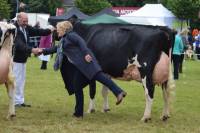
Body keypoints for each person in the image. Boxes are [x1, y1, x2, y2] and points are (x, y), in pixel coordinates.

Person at [40, 21, 127, 118]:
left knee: (101, 77)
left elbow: (81, 43)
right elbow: (57, 48)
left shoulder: (71, 35)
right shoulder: (64, 40)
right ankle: (78, 113)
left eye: (58, 29)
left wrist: (86, 54)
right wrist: (42, 51)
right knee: (78, 86)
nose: (57, 31)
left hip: (86, 63)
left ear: (64, 29)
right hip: (81, 67)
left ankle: (119, 92)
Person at [13, 12, 54, 107]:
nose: (26, 23)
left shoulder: (26, 27)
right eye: (24, 21)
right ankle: (15, 102)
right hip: (15, 59)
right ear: (18, 19)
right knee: (17, 80)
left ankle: (20, 101)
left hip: (23, 58)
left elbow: (37, 31)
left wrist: (49, 30)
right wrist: (32, 50)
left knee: (22, 80)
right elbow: (19, 45)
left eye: (27, 21)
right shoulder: (15, 29)